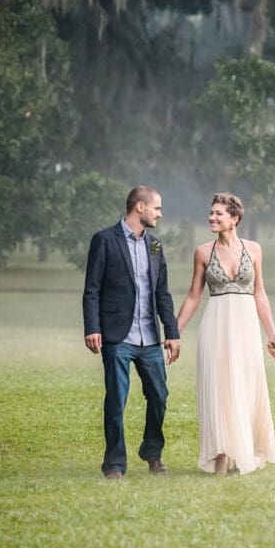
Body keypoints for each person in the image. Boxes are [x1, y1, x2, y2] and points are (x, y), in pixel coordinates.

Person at [176, 193, 275, 475]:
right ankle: (222, 458)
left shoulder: (254, 250)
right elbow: (194, 297)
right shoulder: (202, 252)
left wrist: (272, 334)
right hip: (216, 326)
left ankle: (242, 451)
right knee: (220, 389)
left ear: (234, 219)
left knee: (245, 386)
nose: (212, 217)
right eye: (211, 213)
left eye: (218, 214)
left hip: (246, 328)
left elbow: (260, 294)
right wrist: (174, 332)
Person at [82, 186, 181, 479]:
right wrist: (93, 328)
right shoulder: (104, 240)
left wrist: (172, 332)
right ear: (140, 207)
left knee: (159, 396)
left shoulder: (154, 246)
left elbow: (162, 292)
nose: (160, 214)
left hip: (150, 338)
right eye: (157, 208)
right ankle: (114, 463)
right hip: (117, 336)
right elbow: (92, 290)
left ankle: (152, 452)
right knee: (116, 399)